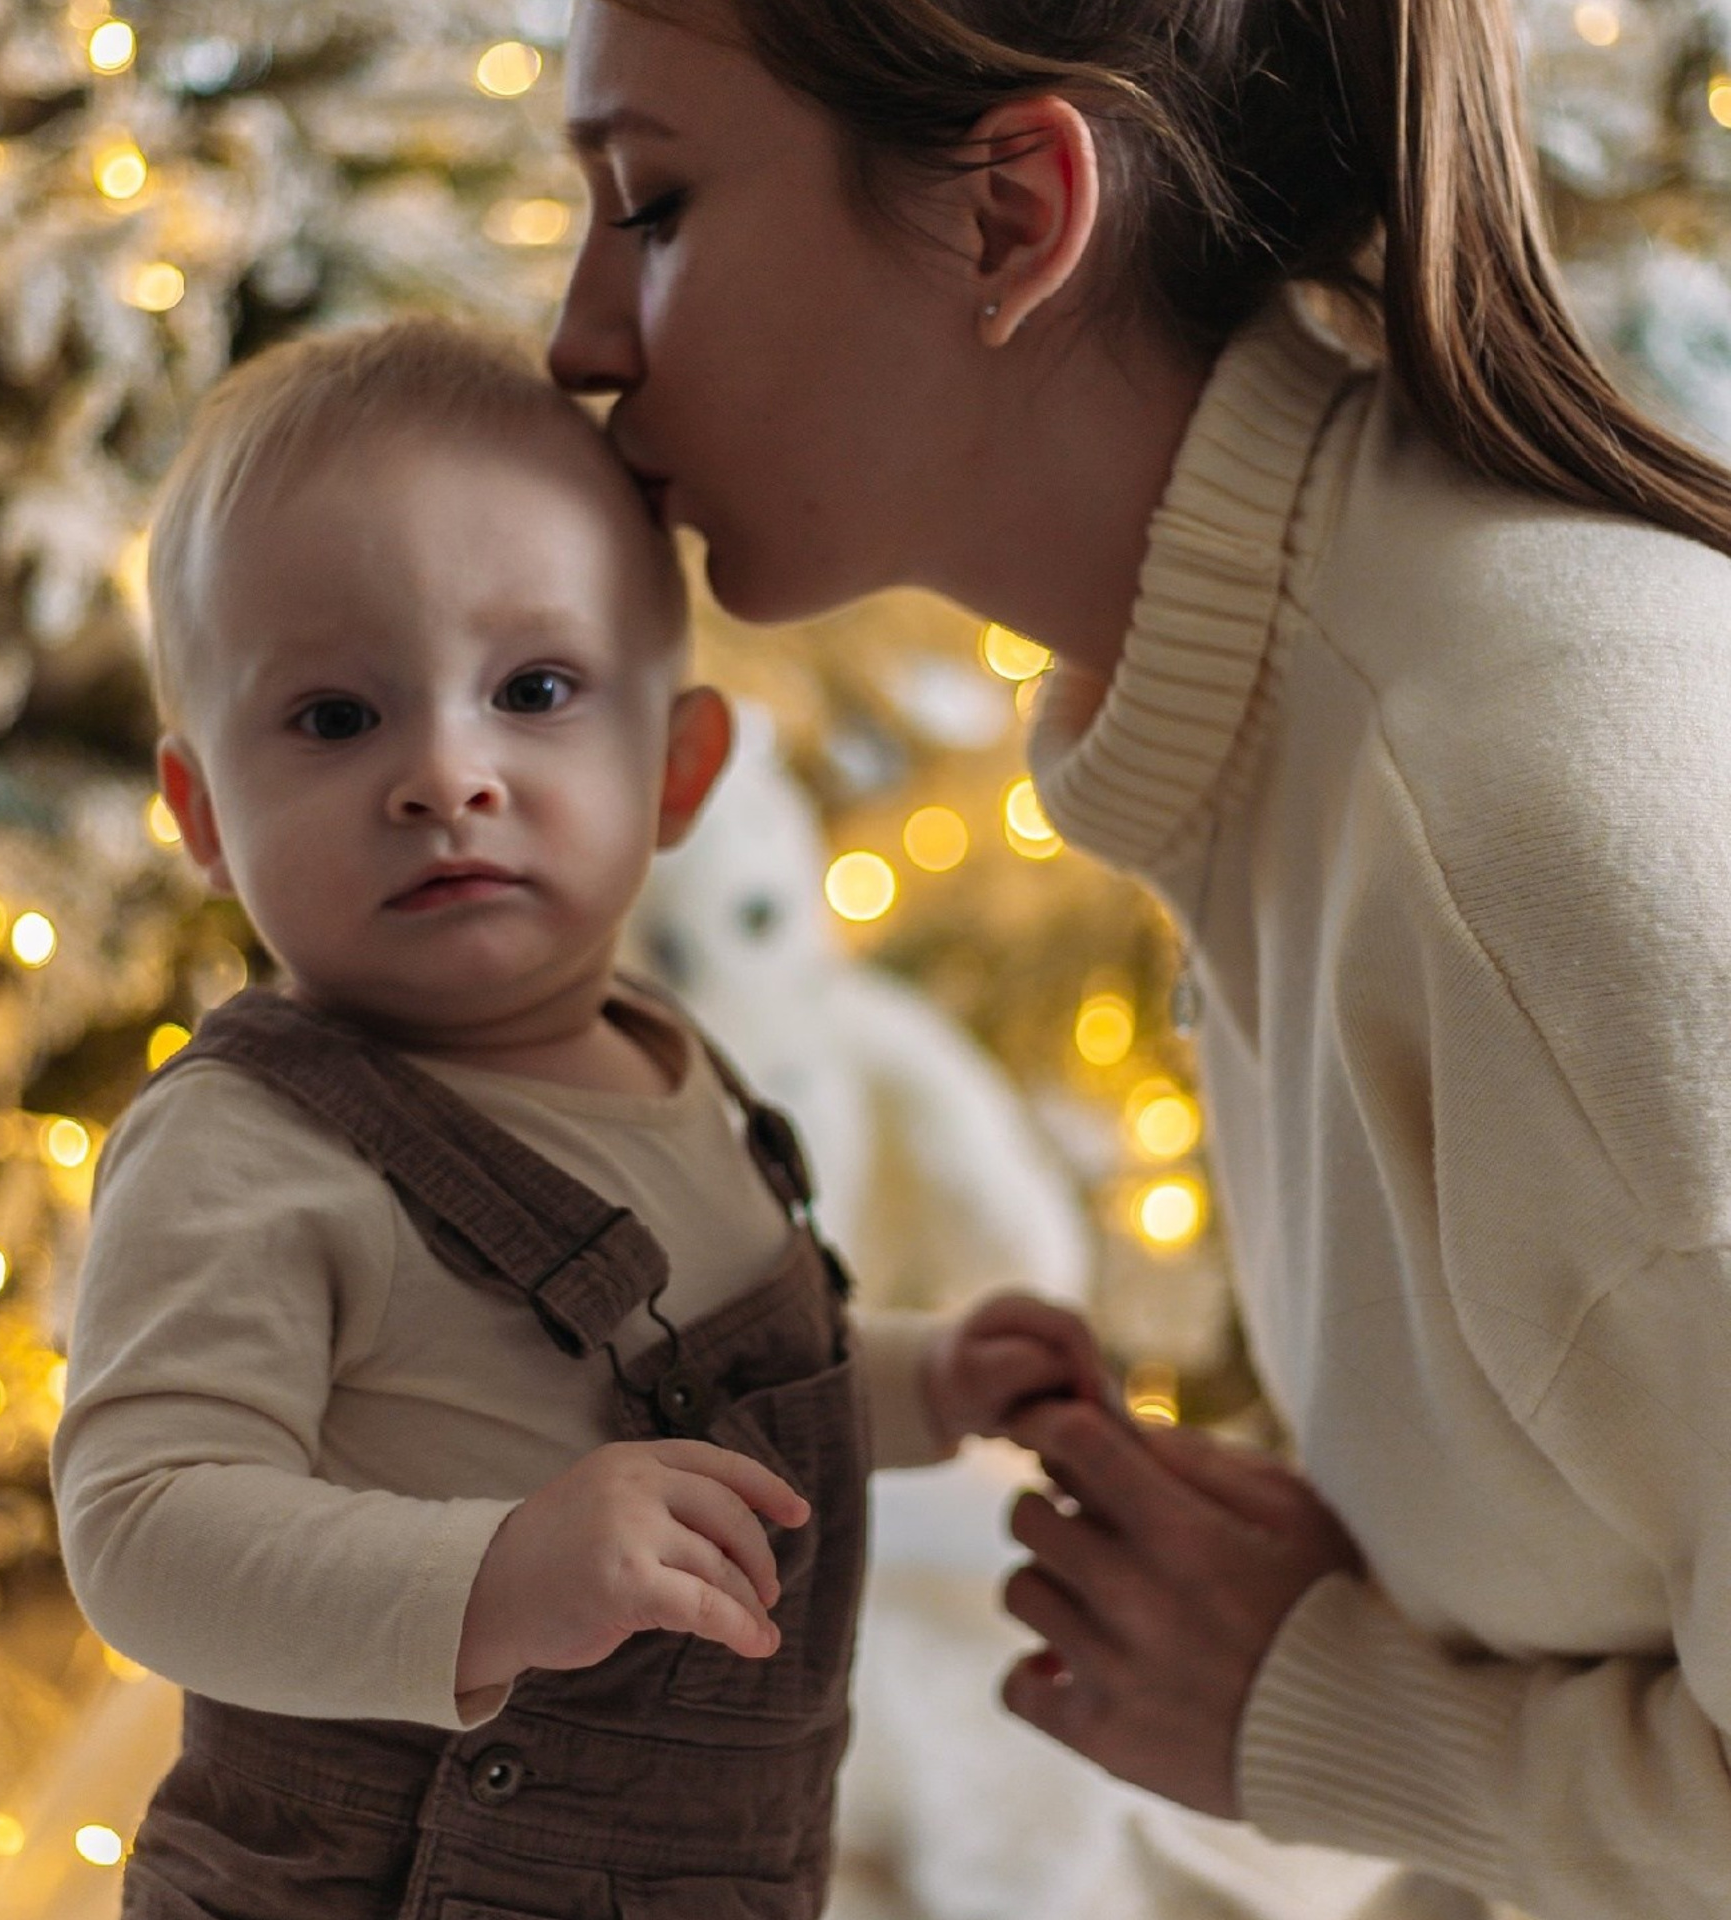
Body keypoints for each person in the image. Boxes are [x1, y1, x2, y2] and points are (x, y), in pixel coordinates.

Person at [545, 3, 1731, 1917]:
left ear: (1012, 214)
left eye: (652, 202)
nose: (577, 338)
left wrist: (1325, 1712)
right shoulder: (1328, 717)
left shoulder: (1527, 821)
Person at [51, 315, 1102, 1920]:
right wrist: (490, 1581)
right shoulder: (248, 1150)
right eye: (336, 719)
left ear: (678, 772)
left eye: (533, 689)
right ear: (202, 816)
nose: (445, 773)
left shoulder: (671, 1058)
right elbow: (142, 1530)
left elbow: (709, 1409)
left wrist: (923, 1380)